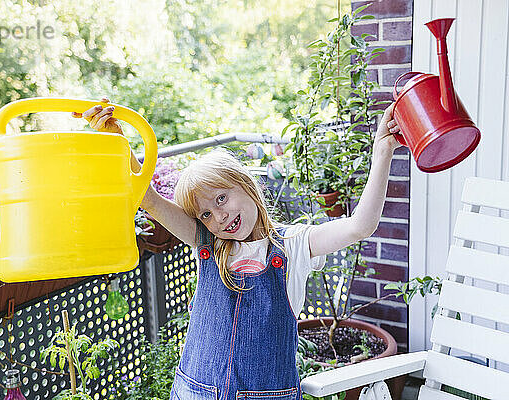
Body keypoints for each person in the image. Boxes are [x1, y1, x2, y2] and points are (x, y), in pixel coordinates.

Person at [74, 98, 401, 400]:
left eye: (222, 198)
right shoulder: (209, 245)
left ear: (246, 186)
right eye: (205, 213)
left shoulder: (294, 246)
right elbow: (147, 197)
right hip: (195, 391)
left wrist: (382, 152)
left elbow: (361, 226)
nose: (220, 216)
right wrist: (116, 137)